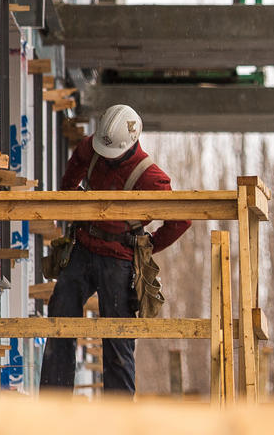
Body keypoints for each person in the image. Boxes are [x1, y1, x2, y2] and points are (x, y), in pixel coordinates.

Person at [39, 104, 190, 394]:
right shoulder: (95, 146)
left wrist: (148, 246)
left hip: (118, 261)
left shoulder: (151, 178)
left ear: (129, 144)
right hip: (83, 249)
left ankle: (118, 417)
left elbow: (181, 219)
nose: (104, 157)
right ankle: (52, 405)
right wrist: (68, 196)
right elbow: (77, 162)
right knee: (60, 319)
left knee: (118, 340)